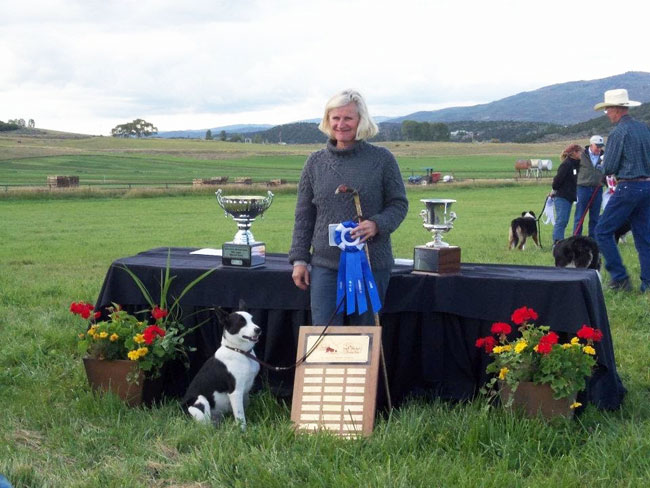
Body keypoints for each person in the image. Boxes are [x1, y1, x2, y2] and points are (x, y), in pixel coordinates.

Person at [288, 89, 408, 324]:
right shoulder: (314, 163)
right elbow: (304, 216)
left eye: (348, 118)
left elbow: (398, 204)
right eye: (335, 118)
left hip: (371, 265)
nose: (341, 124)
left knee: (363, 343)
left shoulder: (382, 159)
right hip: (324, 267)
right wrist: (300, 260)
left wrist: (377, 224)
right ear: (327, 120)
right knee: (325, 344)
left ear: (361, 121)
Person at [593, 89, 650, 292]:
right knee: (644, 237)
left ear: (616, 109)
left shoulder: (618, 132)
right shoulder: (644, 129)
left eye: (608, 109)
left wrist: (602, 173)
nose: (607, 113)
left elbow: (609, 167)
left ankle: (620, 278)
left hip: (628, 186)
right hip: (647, 186)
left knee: (602, 230)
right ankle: (648, 284)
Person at [573, 135, 605, 237]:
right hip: (582, 188)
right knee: (580, 216)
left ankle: (593, 241)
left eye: (601, 146)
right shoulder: (582, 155)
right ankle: (576, 240)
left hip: (598, 189)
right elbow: (574, 169)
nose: (599, 149)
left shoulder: (604, 156)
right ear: (591, 145)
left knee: (595, 217)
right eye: (597, 146)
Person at [551, 143, 582, 246]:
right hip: (562, 196)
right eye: (580, 152)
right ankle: (557, 244)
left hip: (569, 197)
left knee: (564, 221)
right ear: (574, 153)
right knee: (562, 221)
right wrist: (555, 190)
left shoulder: (576, 164)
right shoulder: (566, 164)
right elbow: (556, 182)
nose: (582, 153)